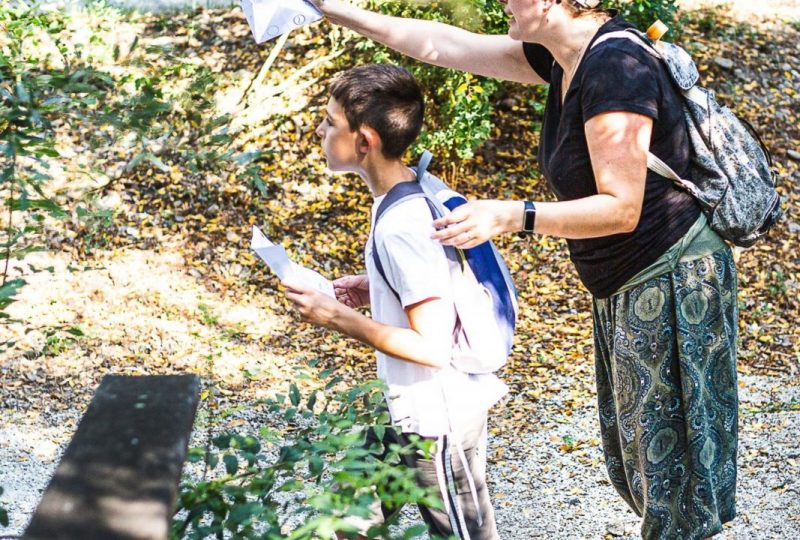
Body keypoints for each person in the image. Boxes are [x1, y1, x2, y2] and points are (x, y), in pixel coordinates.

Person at [308, 1, 739, 539]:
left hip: (669, 278)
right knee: (637, 468)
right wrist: (333, 9)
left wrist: (512, 215)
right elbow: (437, 43)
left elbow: (621, 208)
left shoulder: (615, 69)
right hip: (621, 285)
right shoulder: (561, 57)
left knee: (672, 478)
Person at [282, 63, 506, 540]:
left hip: (437, 418)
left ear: (365, 141)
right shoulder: (407, 192)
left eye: (329, 122)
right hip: (406, 409)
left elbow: (431, 347)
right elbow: (434, 279)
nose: (319, 130)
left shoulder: (401, 224)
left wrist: (338, 317)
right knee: (347, 519)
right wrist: (376, 287)